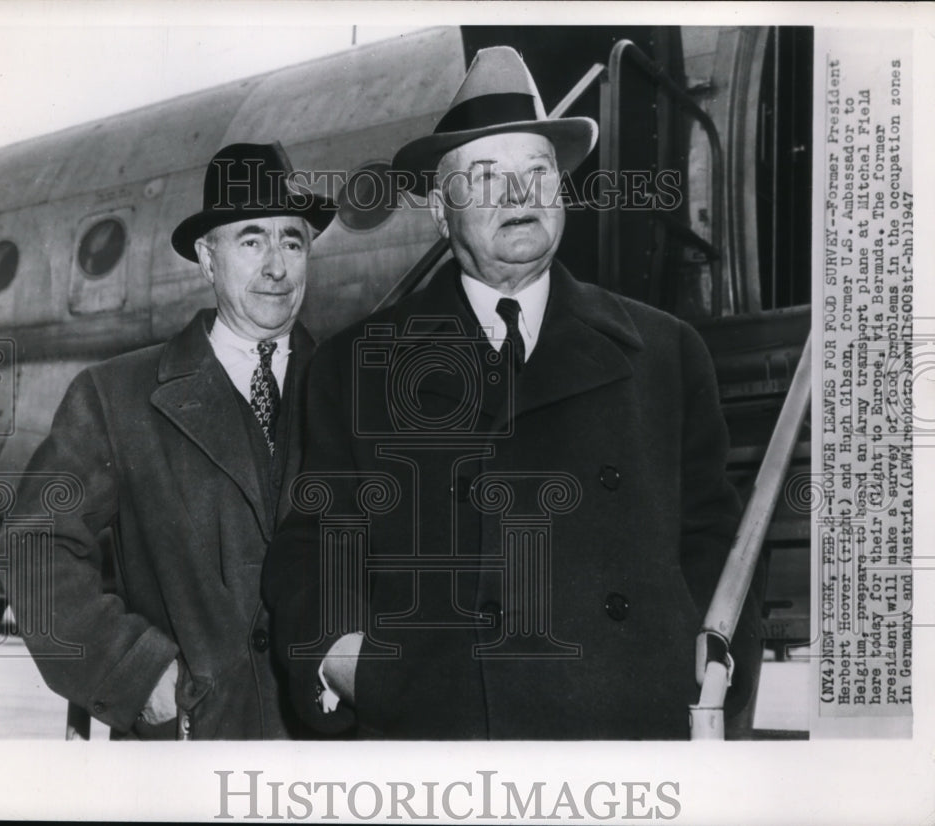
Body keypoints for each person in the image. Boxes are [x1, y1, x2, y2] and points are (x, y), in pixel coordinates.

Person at [266, 48, 763, 739]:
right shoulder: (353, 367)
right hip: (440, 740)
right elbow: (317, 545)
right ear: (441, 211)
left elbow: (715, 539)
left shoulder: (666, 352)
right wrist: (347, 663)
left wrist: (710, 672)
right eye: (487, 178)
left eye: (538, 173)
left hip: (628, 741)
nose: (520, 195)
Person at [0, 142, 332, 739]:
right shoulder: (115, 395)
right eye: (252, 241)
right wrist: (132, 673)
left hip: (335, 757)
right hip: (187, 753)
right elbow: (34, 544)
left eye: (292, 240)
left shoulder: (353, 387)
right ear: (207, 258)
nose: (277, 266)